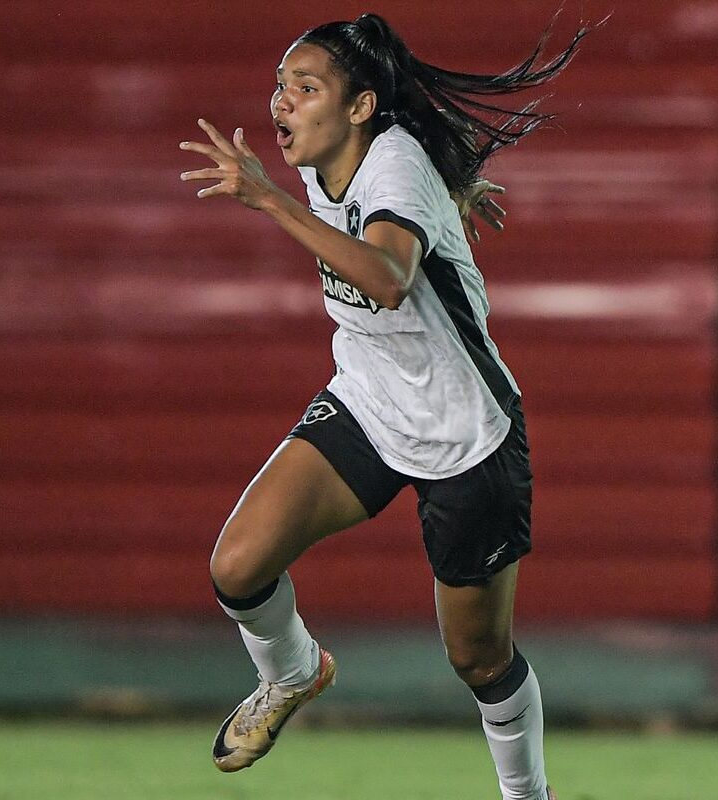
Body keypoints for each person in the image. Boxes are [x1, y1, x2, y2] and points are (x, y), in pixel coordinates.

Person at [180, 11, 593, 800]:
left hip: (465, 434)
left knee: (479, 659)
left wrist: (270, 201)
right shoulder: (329, 156)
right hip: (369, 402)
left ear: (362, 105)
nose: (283, 102)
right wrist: (458, 189)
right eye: (279, 85)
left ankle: (527, 796)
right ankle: (295, 672)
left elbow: (388, 277)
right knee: (237, 566)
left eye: (306, 87)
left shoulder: (390, 163)